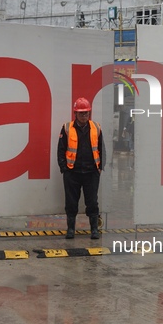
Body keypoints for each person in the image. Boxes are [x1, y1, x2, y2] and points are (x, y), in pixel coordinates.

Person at [57, 97, 104, 239]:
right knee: (71, 202)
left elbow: (102, 149)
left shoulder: (96, 128)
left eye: (86, 113)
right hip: (72, 172)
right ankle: (71, 229)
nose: (84, 116)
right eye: (81, 113)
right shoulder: (66, 128)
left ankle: (94, 230)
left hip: (91, 172)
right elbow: (61, 150)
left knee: (92, 202)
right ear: (75, 114)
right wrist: (64, 168)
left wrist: (99, 168)